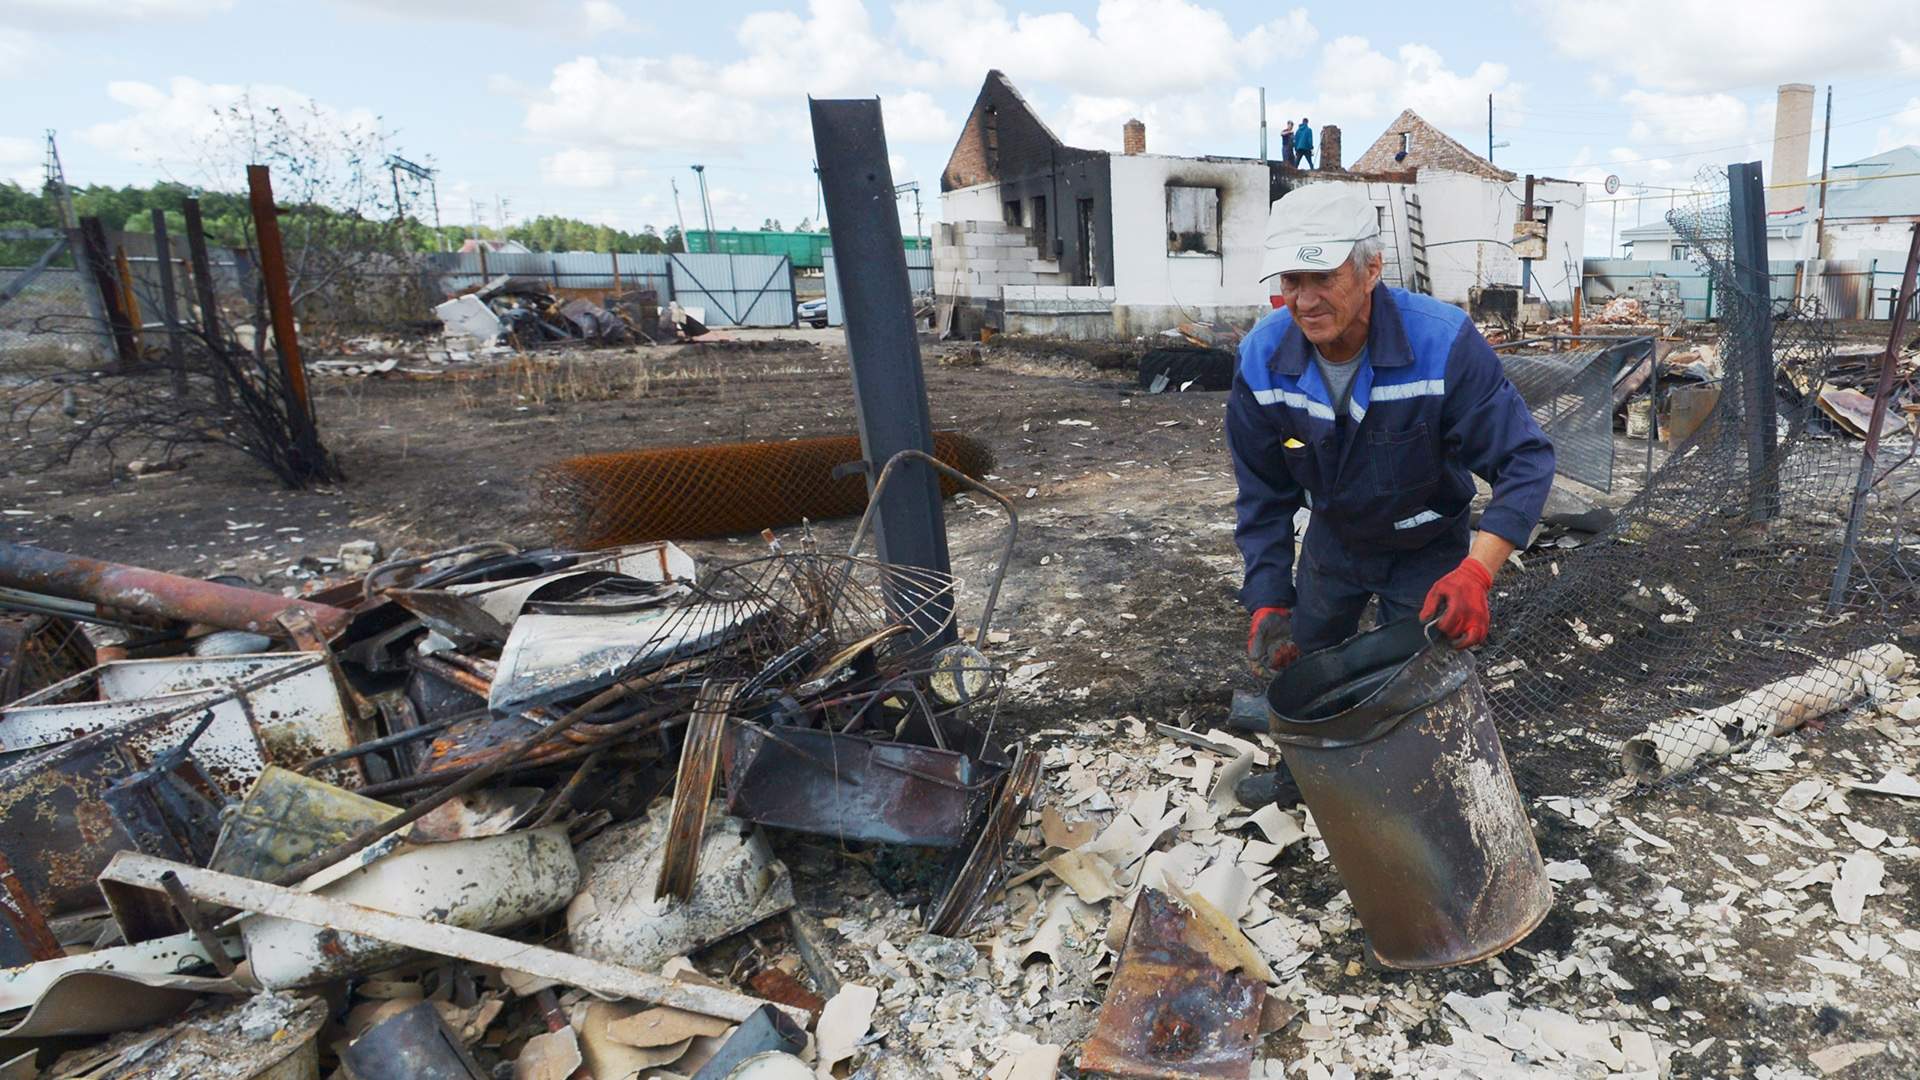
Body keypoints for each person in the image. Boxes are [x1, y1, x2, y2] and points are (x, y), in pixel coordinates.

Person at [1226, 184, 1554, 805]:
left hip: (1428, 544)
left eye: (1321, 276)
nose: (1304, 299)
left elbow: (1525, 460)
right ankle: (1308, 783)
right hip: (1334, 541)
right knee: (1310, 667)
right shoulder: (1262, 360)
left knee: (1422, 682)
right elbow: (1263, 492)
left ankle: (1425, 798)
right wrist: (1268, 597)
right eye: (1291, 280)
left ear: (1371, 268)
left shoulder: (1444, 342)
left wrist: (1476, 575)